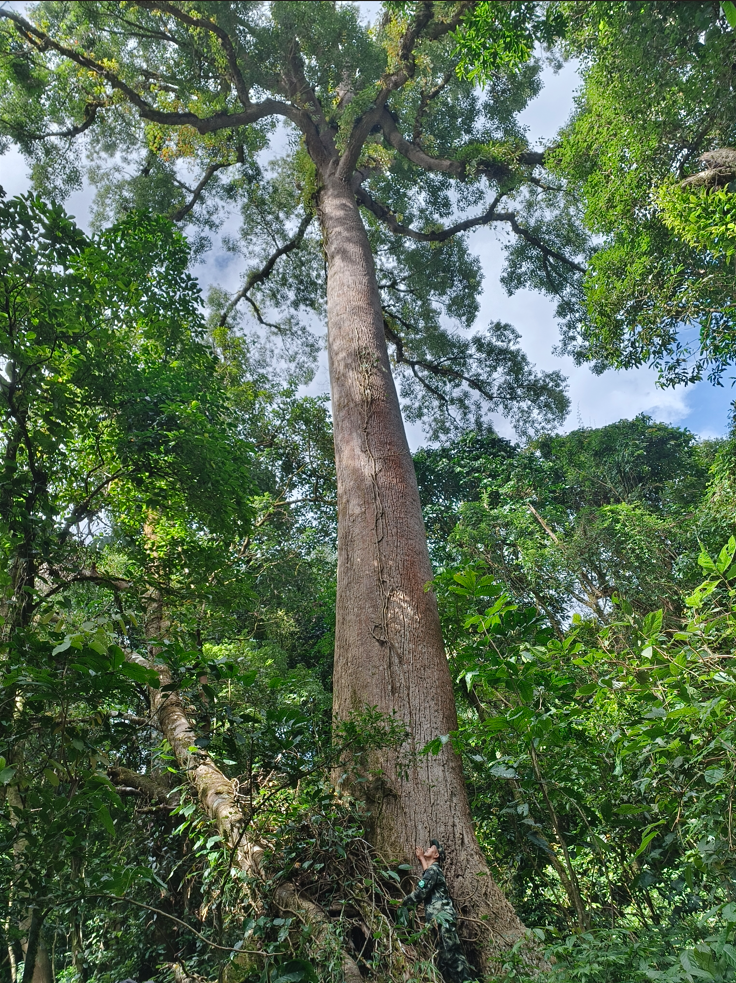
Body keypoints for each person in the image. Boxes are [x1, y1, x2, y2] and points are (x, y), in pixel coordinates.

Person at [398, 839, 479, 983]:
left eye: (431, 848)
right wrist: (422, 858)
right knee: (442, 959)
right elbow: (427, 876)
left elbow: (420, 893)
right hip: (436, 920)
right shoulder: (432, 871)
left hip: (443, 918)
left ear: (436, 855)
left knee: (452, 955)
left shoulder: (434, 870)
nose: (428, 848)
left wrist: (402, 903)